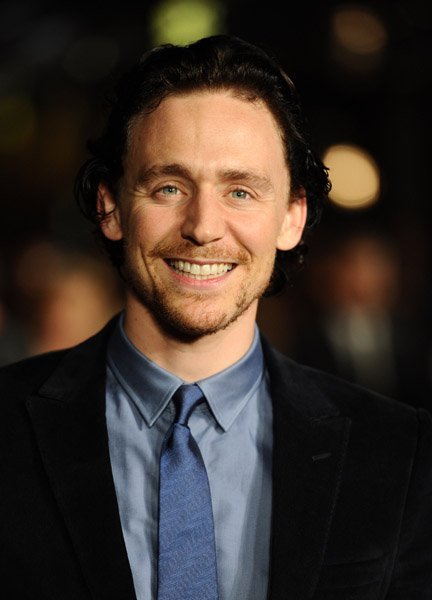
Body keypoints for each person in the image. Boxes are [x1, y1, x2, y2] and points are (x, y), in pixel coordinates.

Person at [1, 34, 431, 600]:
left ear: (292, 217)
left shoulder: (402, 454)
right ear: (110, 206)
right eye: (169, 187)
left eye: (241, 192)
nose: (203, 227)